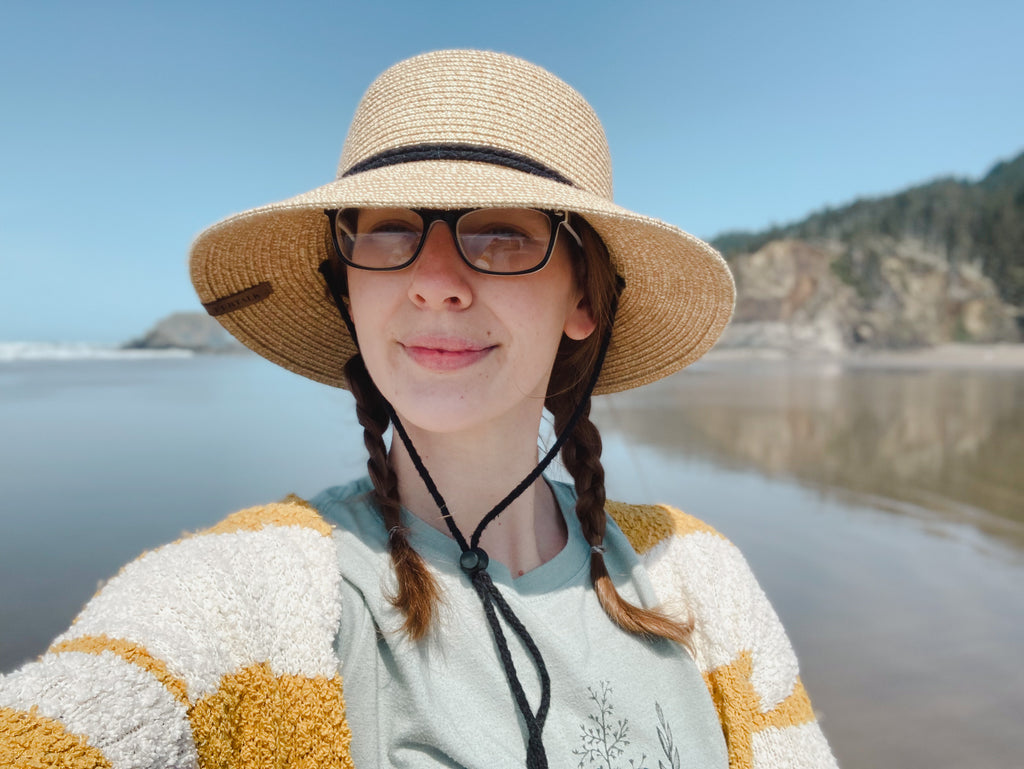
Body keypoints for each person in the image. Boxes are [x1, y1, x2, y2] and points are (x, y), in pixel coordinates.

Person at [0, 50, 837, 768]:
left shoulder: (697, 577)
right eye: (391, 231)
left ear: (584, 296)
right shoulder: (258, 593)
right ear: (349, 288)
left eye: (502, 234)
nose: (436, 279)